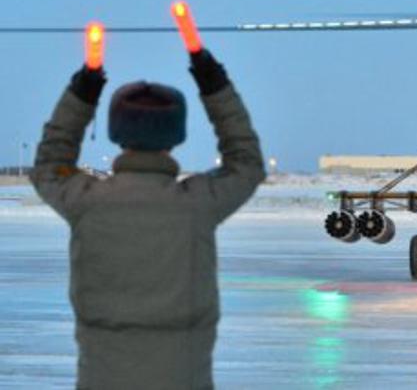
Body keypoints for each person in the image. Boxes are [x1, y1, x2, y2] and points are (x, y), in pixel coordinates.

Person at [30, 49, 265, 389]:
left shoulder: (87, 202)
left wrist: (84, 90)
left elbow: (50, 166)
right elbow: (246, 163)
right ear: (176, 134)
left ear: (116, 130)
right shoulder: (197, 204)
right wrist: (213, 82)